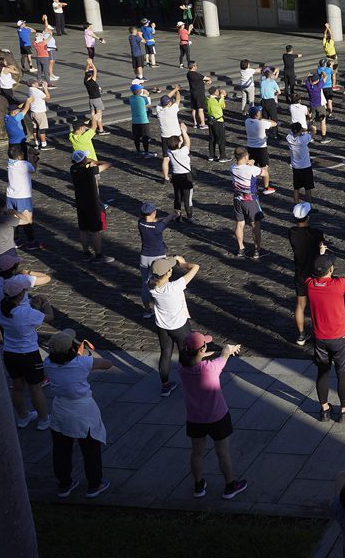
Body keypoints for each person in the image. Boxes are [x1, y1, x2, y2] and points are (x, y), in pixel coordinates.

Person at [179, 332, 249, 499]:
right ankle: (230, 486)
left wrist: (222, 353)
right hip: (218, 417)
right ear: (202, 349)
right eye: (205, 345)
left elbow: (205, 356)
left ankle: (198, 486)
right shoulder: (211, 368)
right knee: (223, 453)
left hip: (195, 418)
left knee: (196, 453)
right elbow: (224, 353)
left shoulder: (182, 368)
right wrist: (228, 350)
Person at [44, 329, 113, 499]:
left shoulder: (47, 362)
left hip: (60, 408)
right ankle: (94, 484)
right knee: (90, 449)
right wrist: (88, 355)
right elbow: (107, 364)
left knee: (61, 450)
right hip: (82, 410)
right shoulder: (82, 363)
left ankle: (64, 484)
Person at [306, 255, 345, 422]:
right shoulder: (339, 284)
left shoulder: (309, 284)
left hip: (319, 337)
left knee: (322, 372)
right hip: (339, 336)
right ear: (330, 270)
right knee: (342, 373)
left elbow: (313, 276)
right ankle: (344, 410)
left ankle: (324, 409)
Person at [0, 274, 53, 429]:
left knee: (17, 387)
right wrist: (45, 302)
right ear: (20, 295)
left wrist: (32, 306)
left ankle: (23, 417)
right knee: (36, 388)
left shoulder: (2, 310)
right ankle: (44, 419)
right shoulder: (25, 313)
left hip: (10, 354)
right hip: (29, 354)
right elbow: (49, 317)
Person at [148, 255, 200, 397]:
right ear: (168, 273)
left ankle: (165, 386)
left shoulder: (150, 284)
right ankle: (191, 383)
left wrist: (172, 260)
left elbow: (157, 269)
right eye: (170, 269)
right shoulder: (175, 287)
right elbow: (196, 267)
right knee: (187, 354)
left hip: (162, 326)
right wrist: (182, 264)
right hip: (179, 326)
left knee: (165, 354)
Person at [288, 201, 327, 346]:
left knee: (300, 304)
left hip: (300, 273)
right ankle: (321, 332)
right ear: (308, 217)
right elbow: (322, 247)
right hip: (315, 273)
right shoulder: (316, 233)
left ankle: (301, 335)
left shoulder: (292, 233)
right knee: (319, 305)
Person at [70, 150, 114, 264]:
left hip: (80, 203)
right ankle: (98, 255)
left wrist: (86, 162)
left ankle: (86, 253)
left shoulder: (73, 170)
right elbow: (109, 164)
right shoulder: (89, 171)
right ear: (83, 160)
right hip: (93, 204)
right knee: (96, 231)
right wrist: (95, 161)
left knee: (83, 230)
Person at [230, 147, 270, 259]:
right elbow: (265, 173)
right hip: (250, 200)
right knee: (255, 225)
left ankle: (241, 248)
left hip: (238, 199)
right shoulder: (250, 169)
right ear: (245, 156)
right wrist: (253, 165)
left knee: (239, 224)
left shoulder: (233, 167)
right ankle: (257, 250)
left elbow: (241, 166)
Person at [6, 145, 41, 250]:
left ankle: (16, 240)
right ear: (20, 156)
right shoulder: (25, 165)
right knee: (27, 220)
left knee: (14, 218)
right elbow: (33, 169)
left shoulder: (9, 164)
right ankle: (31, 242)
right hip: (23, 196)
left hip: (10, 196)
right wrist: (33, 159)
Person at [161, 123, 196, 220]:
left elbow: (178, 143)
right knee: (187, 198)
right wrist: (184, 131)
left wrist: (180, 137)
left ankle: (178, 215)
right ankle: (189, 217)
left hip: (175, 177)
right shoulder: (183, 151)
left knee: (178, 196)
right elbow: (188, 142)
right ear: (179, 144)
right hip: (186, 176)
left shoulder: (169, 151)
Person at [287, 122, 315, 205]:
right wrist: (310, 127)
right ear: (300, 130)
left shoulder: (288, 138)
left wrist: (300, 131)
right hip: (306, 166)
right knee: (308, 187)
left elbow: (292, 132)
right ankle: (308, 206)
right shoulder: (303, 139)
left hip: (295, 167)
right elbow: (313, 132)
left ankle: (296, 205)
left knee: (296, 188)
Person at [205, 85, 227, 162]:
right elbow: (223, 106)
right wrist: (223, 97)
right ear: (215, 92)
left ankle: (211, 155)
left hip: (211, 121)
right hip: (218, 121)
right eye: (217, 91)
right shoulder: (218, 100)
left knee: (212, 139)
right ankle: (222, 157)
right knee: (221, 139)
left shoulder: (207, 99)